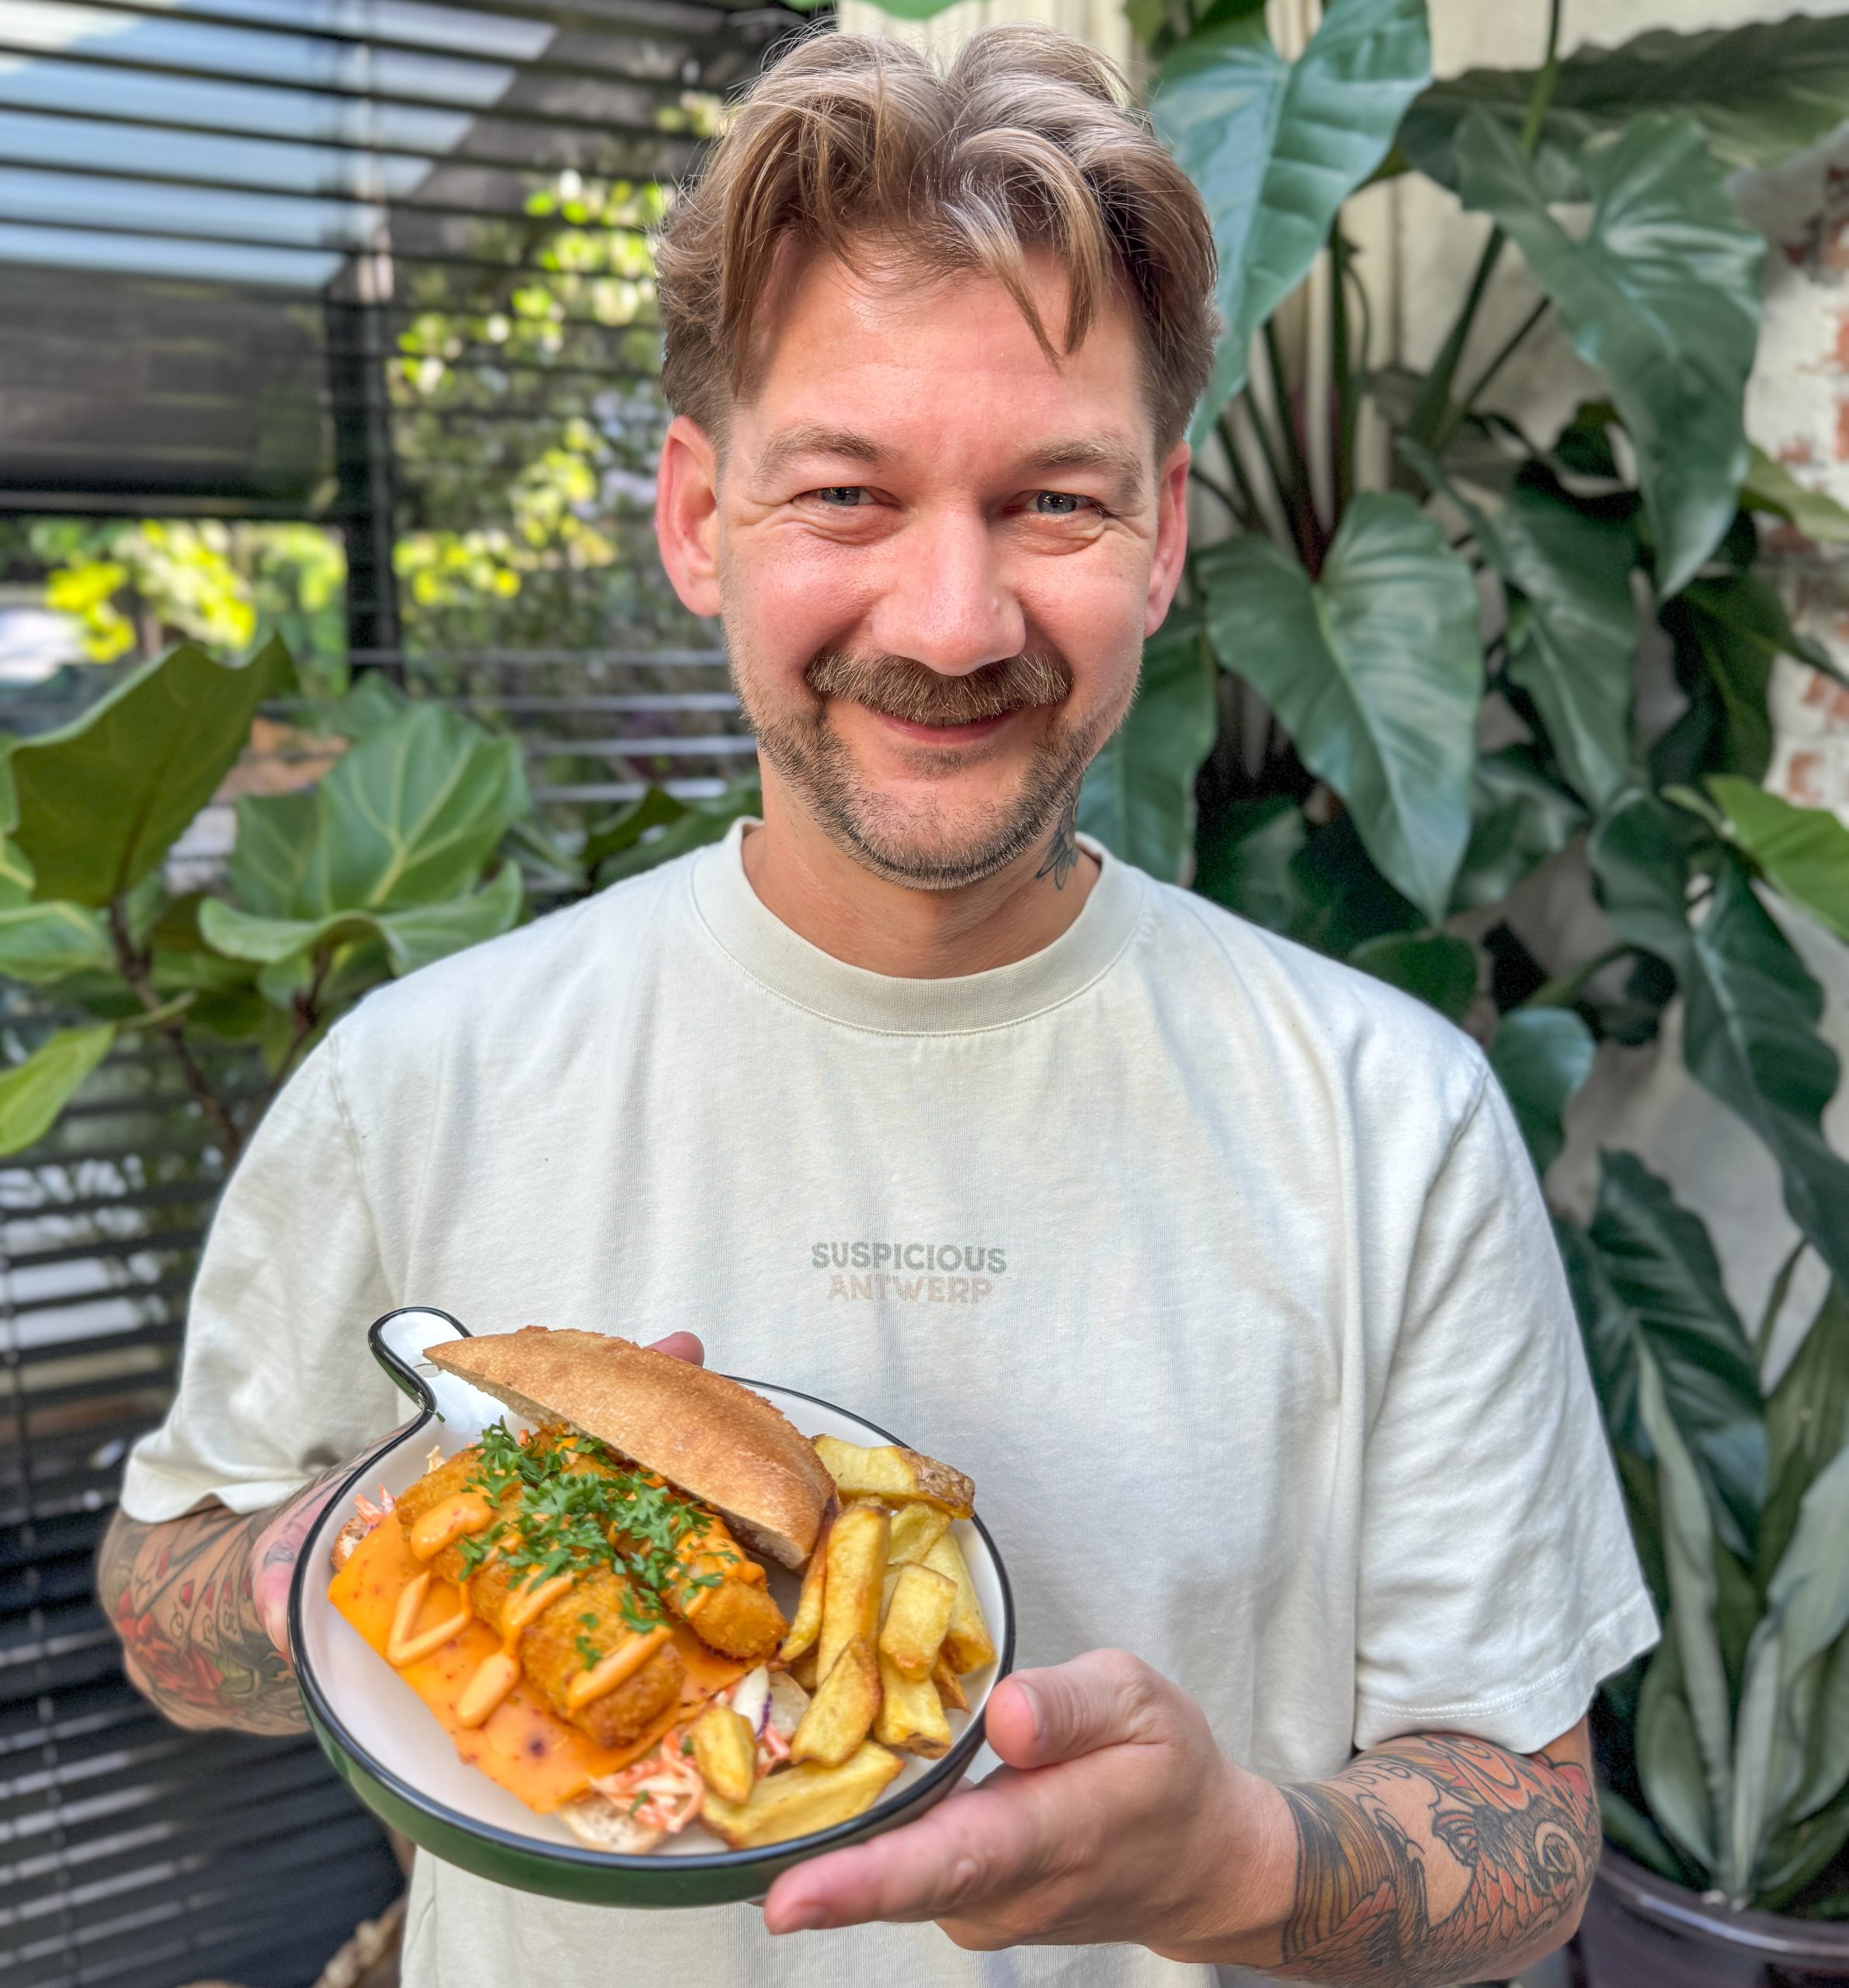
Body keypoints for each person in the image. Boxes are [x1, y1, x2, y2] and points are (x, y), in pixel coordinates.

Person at [99, 26, 1656, 1988]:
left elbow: (1528, 1828)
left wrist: (1233, 1862)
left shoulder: (1389, 1112)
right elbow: (162, 1614)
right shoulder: (416, 1081)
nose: (950, 620)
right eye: (845, 491)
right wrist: (375, 1541)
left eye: (1054, 502)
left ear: (1165, 534)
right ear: (697, 519)